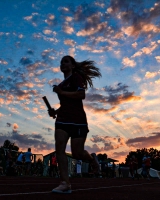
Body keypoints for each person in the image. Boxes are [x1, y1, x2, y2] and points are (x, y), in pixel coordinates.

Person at [47, 55, 101, 193]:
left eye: (66, 61)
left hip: (78, 120)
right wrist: (55, 112)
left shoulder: (76, 77)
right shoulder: (60, 85)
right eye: (61, 62)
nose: (62, 64)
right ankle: (65, 183)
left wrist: (61, 92)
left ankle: (92, 159)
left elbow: (81, 95)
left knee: (77, 153)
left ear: (72, 65)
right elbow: (65, 104)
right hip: (63, 119)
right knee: (59, 148)